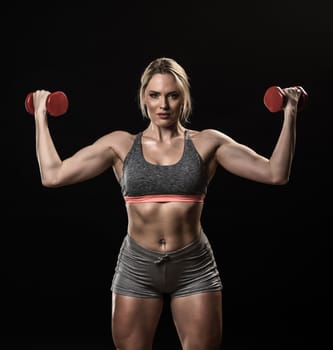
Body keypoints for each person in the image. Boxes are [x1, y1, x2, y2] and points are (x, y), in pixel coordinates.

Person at [31, 57, 301, 350]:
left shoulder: (207, 143)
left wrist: (290, 113)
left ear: (183, 97)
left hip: (193, 266)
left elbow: (275, 173)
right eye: (155, 95)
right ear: (143, 97)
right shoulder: (120, 145)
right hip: (137, 267)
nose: (164, 105)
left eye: (172, 95)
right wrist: (40, 117)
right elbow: (53, 175)